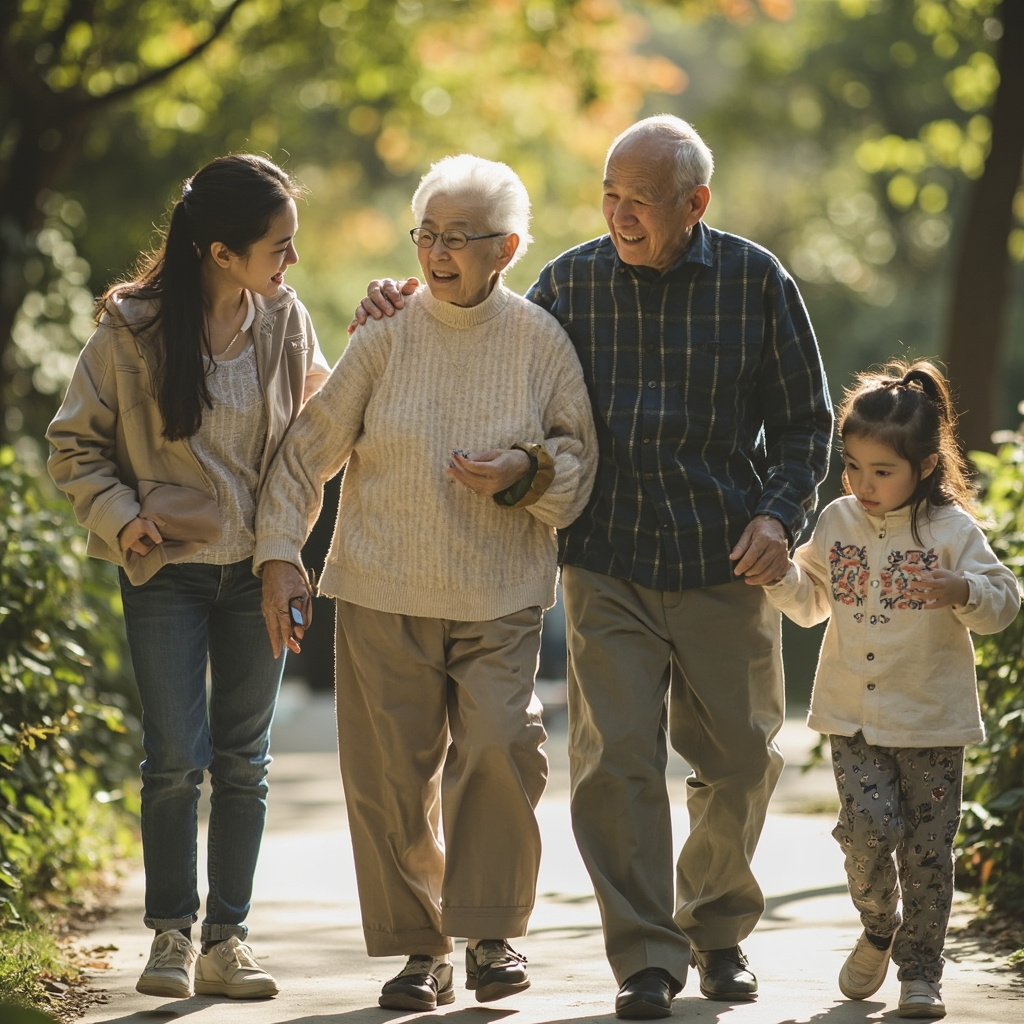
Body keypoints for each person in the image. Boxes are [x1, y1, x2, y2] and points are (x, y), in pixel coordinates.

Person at [353, 114, 833, 1018]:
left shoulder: (755, 279)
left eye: (640, 200)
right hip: (607, 560)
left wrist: (779, 514)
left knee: (739, 760)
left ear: (694, 204)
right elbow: (482, 330)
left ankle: (718, 926)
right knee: (616, 764)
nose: (619, 213)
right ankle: (645, 957)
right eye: (609, 194)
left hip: (723, 555)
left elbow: (808, 421)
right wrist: (397, 295)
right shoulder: (567, 283)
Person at [254, 154, 597, 1012]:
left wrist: (524, 470)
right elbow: (308, 451)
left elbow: (578, 464)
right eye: (428, 235)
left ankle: (491, 937)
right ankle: (419, 953)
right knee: (389, 780)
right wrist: (280, 553)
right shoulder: (387, 331)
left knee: (498, 745)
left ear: (506, 248)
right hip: (380, 586)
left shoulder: (539, 340)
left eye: (460, 238)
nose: (438, 253)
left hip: (499, 592)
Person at [46, 154, 330, 1001]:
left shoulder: (286, 323)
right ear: (219, 251)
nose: (290, 261)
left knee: (246, 760)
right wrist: (120, 517)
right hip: (164, 570)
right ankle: (169, 935)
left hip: (259, 573)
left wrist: (287, 554)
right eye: (278, 245)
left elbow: (317, 439)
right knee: (175, 758)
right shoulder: (129, 332)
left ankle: (225, 941)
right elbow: (73, 446)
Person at [762, 360, 1020, 1020]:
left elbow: (1004, 605)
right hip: (853, 716)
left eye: (882, 470)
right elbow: (811, 601)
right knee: (868, 834)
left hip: (933, 721)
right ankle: (880, 925)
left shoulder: (952, 531)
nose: (863, 484)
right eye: (852, 466)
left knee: (929, 852)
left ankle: (920, 970)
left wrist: (963, 592)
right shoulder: (838, 521)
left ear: (926, 465)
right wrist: (775, 574)